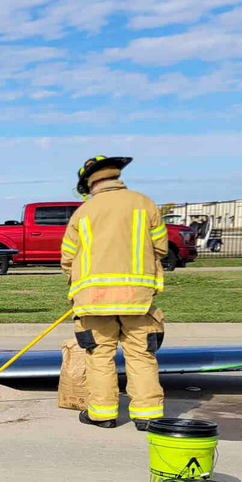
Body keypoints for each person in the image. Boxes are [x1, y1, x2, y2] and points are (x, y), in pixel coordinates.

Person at [61, 156, 167, 430]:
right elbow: (161, 248)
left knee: (99, 356)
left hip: (93, 301)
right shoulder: (144, 204)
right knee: (141, 355)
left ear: (88, 184)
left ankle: (103, 413)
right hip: (138, 299)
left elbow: (68, 258)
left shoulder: (84, 212)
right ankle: (147, 415)